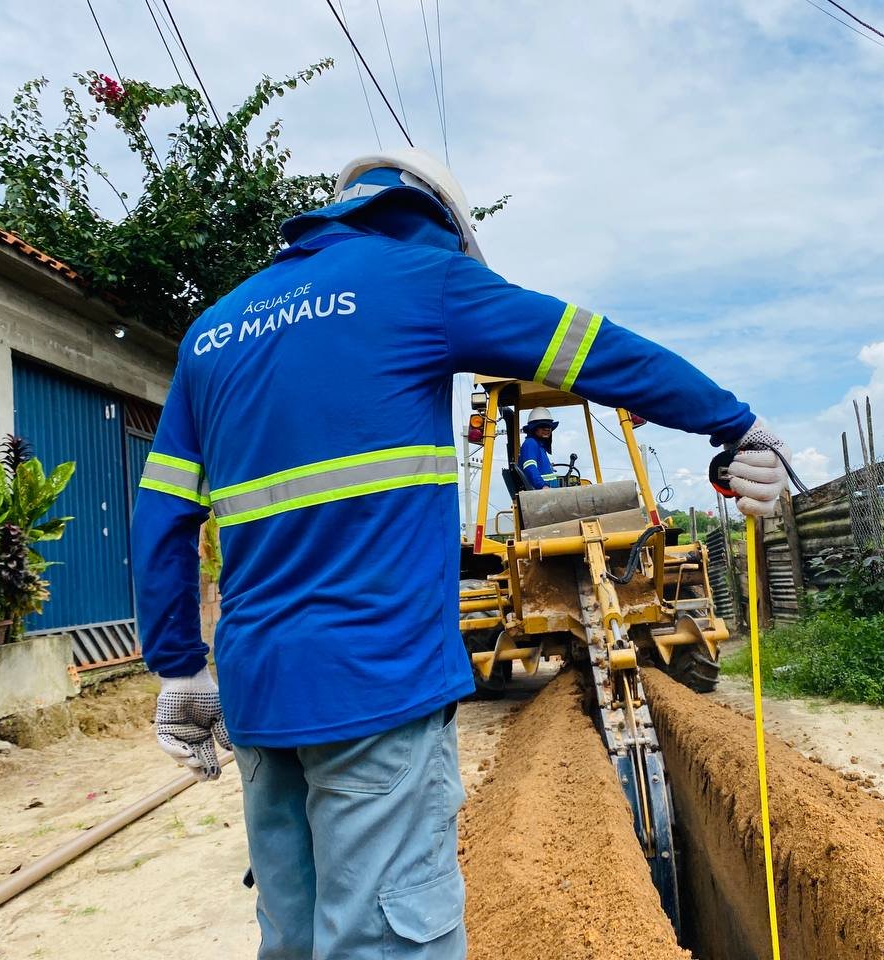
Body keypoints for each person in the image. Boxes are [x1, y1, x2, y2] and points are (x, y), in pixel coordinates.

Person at [130, 147, 791, 960]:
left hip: (260, 698)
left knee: (294, 937)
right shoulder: (420, 280)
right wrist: (733, 424)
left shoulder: (212, 333)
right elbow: (597, 349)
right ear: (440, 225)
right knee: (388, 941)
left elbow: (161, 514)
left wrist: (177, 668)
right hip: (379, 690)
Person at [518, 407, 561, 488]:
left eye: (549, 426)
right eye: (542, 426)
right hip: (541, 494)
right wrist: (543, 486)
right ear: (533, 429)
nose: (547, 429)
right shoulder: (530, 443)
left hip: (550, 493)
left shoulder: (540, 446)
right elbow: (530, 467)